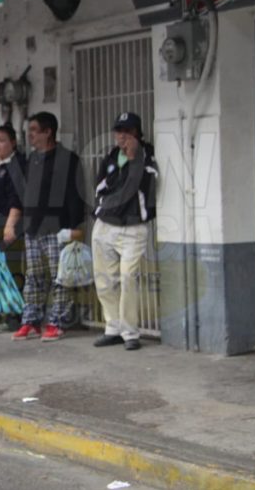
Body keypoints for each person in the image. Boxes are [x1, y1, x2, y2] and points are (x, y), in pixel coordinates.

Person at [12, 112, 86, 343]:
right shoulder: (30, 160)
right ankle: (31, 321)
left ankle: (57, 322)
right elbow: (24, 193)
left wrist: (73, 228)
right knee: (33, 277)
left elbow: (76, 195)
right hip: (33, 228)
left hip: (58, 228)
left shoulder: (67, 159)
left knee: (59, 277)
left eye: (34, 130)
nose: (30, 135)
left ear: (48, 132)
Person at [91, 113, 158, 352]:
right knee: (104, 280)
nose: (122, 136)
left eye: (127, 131)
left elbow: (146, 185)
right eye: (119, 131)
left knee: (128, 278)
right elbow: (100, 186)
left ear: (137, 134)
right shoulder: (110, 156)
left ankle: (130, 332)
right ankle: (113, 328)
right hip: (105, 225)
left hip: (133, 227)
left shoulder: (146, 155)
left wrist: (133, 160)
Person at [0, 124, 26, 247]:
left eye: (1, 140)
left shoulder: (18, 165)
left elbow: (17, 197)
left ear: (13, 143)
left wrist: (10, 224)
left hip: (12, 226)